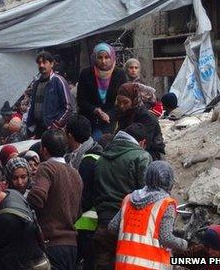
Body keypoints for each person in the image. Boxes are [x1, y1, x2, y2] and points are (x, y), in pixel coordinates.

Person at [92, 123, 152, 270]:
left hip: (103, 224)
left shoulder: (101, 159)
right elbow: (147, 194)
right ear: (142, 142)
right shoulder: (141, 156)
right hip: (130, 226)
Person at [109, 161, 187, 269]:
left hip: (123, 265)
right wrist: (183, 244)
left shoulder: (129, 199)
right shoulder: (165, 204)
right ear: (169, 182)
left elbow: (112, 227)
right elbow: (166, 238)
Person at [27, 129, 82, 270]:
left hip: (52, 244)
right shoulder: (75, 173)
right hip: (72, 245)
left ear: (43, 150)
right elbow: (78, 212)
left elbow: (37, 197)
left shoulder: (47, 167)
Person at [64, 115, 102, 270]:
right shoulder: (80, 155)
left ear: (70, 135)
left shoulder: (88, 160)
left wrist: (72, 214)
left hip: (87, 225)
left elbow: (85, 196)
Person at [77, 43, 127, 140]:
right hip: (90, 120)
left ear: (112, 57)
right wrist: (96, 110)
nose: (103, 61)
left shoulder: (119, 74)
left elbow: (124, 101)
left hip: (111, 121)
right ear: (95, 58)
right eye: (100, 57)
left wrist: (109, 115)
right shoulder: (86, 73)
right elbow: (81, 100)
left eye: (106, 57)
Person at [26, 51, 75, 138]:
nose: (41, 65)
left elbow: (68, 108)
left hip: (53, 130)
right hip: (38, 129)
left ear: (51, 64)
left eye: (44, 62)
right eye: (39, 63)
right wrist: (31, 126)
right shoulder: (36, 84)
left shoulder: (58, 81)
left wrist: (55, 126)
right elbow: (33, 106)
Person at [116, 83, 166, 160]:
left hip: (152, 154)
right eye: (119, 102)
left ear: (134, 100)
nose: (121, 106)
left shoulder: (147, 118)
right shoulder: (124, 114)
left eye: (125, 102)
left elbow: (144, 144)